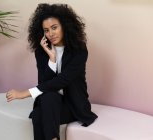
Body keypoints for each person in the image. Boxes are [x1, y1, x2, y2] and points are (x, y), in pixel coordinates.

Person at [6, 3, 97, 140]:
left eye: (54, 27)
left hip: (73, 106)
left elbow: (63, 80)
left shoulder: (79, 49)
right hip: (51, 103)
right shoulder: (41, 52)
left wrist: (25, 93)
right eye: (46, 30)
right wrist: (52, 59)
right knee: (48, 98)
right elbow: (45, 83)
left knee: (39, 115)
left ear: (65, 26)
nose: (51, 33)